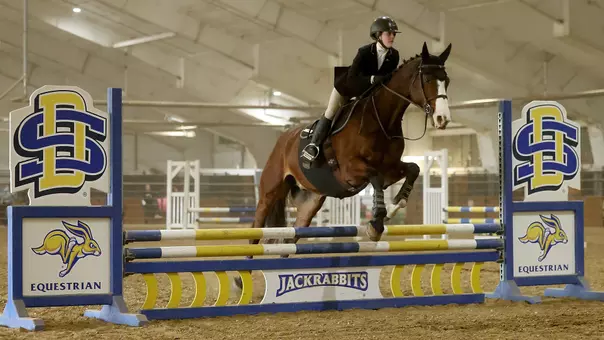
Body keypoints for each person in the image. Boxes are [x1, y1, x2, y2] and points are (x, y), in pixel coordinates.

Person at [301, 16, 401, 165]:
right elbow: (352, 78)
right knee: (331, 112)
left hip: (367, 95)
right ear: (378, 35)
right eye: (389, 33)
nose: (392, 37)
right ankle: (313, 146)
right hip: (347, 88)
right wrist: (372, 79)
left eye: (393, 34)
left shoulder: (394, 56)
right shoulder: (364, 52)